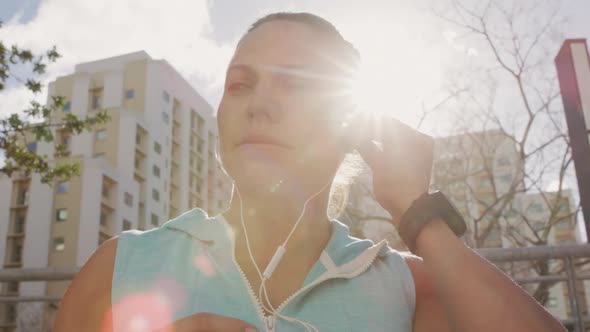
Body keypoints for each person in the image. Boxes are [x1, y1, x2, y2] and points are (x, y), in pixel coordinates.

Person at [55, 12, 566, 332]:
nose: (259, 104)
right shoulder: (123, 264)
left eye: (296, 86)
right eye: (240, 84)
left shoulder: (408, 286)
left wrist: (418, 210)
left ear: (351, 129)